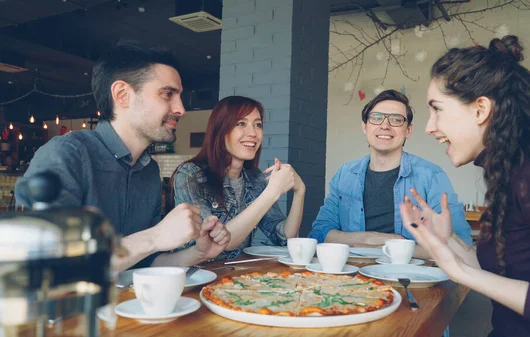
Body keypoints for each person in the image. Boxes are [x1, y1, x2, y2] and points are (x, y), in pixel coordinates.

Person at [400, 35, 530, 337]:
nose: (429, 127)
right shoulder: (512, 170)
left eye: (437, 109)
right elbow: (507, 276)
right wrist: (449, 239)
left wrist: (460, 272)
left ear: (480, 110)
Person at [15, 41, 231, 271]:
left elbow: (145, 263)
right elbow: (45, 262)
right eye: (168, 94)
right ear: (122, 94)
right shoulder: (66, 155)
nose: (180, 109)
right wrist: (155, 236)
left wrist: (197, 253)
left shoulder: (149, 169)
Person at [308, 90, 472, 259]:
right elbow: (320, 232)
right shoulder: (345, 175)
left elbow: (460, 242)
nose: (385, 126)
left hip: (411, 279)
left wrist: (393, 248)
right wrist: (374, 239)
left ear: (408, 131)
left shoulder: (431, 176)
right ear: (365, 127)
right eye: (376, 118)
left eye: (396, 119)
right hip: (351, 275)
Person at [170, 95, 305, 259]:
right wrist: (272, 192)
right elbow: (216, 243)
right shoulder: (191, 175)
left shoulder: (254, 178)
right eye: (241, 123)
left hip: (234, 276)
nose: (253, 133)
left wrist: (300, 191)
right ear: (221, 130)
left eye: (258, 125)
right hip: (195, 275)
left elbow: (283, 238)